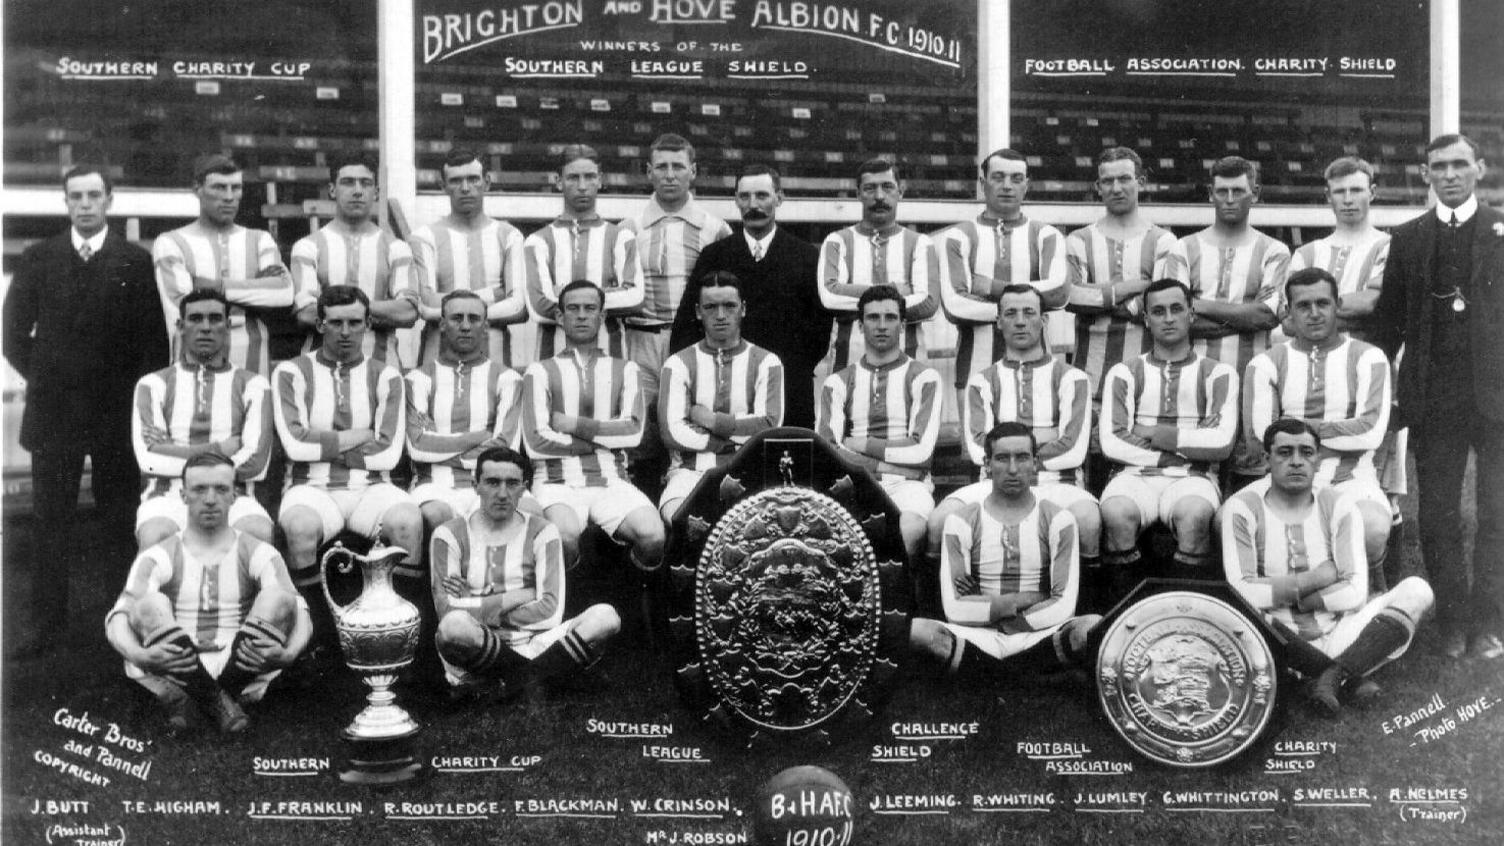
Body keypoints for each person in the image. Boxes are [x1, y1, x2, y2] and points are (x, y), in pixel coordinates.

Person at [3, 164, 168, 653]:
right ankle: (46, 625)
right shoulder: (39, 258)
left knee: (120, 519)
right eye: (76, 196)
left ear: (110, 200)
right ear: (66, 202)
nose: (85, 204)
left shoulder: (134, 261)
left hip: (115, 412)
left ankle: (121, 619)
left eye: (94, 195)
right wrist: (51, 376)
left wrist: (125, 392)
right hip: (55, 412)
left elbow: (153, 343)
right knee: (50, 522)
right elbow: (12, 335)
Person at [1374, 133, 1504, 660]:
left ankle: (1490, 621)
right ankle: (1452, 622)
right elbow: (1387, 327)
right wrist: (1382, 394)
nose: (1449, 174)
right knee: (1439, 516)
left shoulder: (1501, 231)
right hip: (1434, 400)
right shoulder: (1407, 237)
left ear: (1479, 168)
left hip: (1498, 398)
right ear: (1425, 175)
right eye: (1438, 167)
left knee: (1499, 512)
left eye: (1459, 164)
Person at [1223, 419, 1433, 714]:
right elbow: (1241, 592)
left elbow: (1355, 593)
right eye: (1284, 452)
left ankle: (1330, 677)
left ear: (1318, 460)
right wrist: (1318, 577)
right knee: (1242, 615)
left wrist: (1294, 594)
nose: (1296, 462)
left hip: (1337, 631)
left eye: (1306, 453)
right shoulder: (1242, 507)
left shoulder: (1339, 504)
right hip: (1276, 635)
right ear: (1266, 459)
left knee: (1417, 590)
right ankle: (1352, 671)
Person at [105, 453, 312, 732]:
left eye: (221, 489)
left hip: (241, 663)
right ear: (183, 495)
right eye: (200, 489)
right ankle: (220, 704)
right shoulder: (159, 555)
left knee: (280, 598)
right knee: (146, 604)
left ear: (234, 496)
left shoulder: (258, 551)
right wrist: (138, 655)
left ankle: (197, 706)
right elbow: (118, 617)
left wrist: (289, 653)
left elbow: (301, 613)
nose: (211, 499)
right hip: (176, 668)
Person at [941, 284, 1101, 609]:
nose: (1020, 321)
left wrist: (1007, 448)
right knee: (939, 520)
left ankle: (1084, 615)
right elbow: (979, 452)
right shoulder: (981, 381)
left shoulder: (1072, 378)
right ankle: (953, 610)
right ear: (998, 321)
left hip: (1061, 483)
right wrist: (1049, 435)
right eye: (1010, 313)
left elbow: (1073, 449)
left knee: (1087, 518)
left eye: (1029, 313)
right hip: (992, 485)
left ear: (1044, 320)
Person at [273, 285, 423, 626]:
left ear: (368, 323)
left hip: (371, 488)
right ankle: (315, 635)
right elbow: (294, 446)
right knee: (299, 526)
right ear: (320, 324)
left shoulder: (386, 375)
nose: (345, 332)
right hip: (310, 487)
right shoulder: (291, 372)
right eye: (336, 322)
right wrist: (360, 436)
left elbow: (388, 454)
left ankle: (404, 630)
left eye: (354, 323)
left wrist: (320, 445)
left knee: (407, 520)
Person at [908, 422, 1100, 681]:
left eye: (1021, 458)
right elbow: (954, 609)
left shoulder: (1058, 519)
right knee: (918, 632)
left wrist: (992, 612)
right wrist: (1029, 598)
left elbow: (1063, 606)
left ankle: (988, 676)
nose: (1012, 469)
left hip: (1037, 632)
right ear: (987, 465)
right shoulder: (961, 521)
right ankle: (1030, 675)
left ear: (1035, 462)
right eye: (1002, 458)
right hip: (980, 636)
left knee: (1091, 626)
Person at [1244, 268, 1393, 588]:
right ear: (1289, 311)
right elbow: (1261, 437)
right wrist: (1338, 431)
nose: (1314, 314)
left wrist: (1293, 429)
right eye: (1303, 306)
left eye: (1323, 303)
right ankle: (1268, 612)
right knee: (1228, 520)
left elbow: (1371, 432)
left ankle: (1368, 598)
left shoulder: (1369, 358)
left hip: (1351, 478)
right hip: (1281, 479)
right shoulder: (1266, 362)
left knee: (1372, 525)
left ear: (1338, 304)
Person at [432, 447, 620, 698]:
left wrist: (476, 604)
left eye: (512, 484)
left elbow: (551, 612)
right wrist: (522, 595)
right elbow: (446, 611)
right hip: (476, 643)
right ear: (475, 484)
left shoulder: (544, 531)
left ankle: (512, 682)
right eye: (492, 482)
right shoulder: (448, 534)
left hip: (536, 644)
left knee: (606, 617)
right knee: (453, 627)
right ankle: (543, 678)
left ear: (524, 487)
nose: (502, 493)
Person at [1287, 156, 1406, 532]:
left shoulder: (1391, 246)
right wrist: (1344, 310)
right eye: (1340, 191)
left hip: (1369, 372)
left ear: (1373, 192)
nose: (1349, 199)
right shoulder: (1307, 253)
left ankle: (1384, 575)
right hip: (1310, 372)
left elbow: (1373, 303)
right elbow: (1285, 316)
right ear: (1328, 197)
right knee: (1314, 462)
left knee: (1379, 479)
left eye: (1357, 189)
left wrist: (1311, 312)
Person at [1100, 279, 1238, 583]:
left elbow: (1221, 443)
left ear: (1191, 314)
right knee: (1115, 512)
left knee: (1195, 514)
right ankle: (1128, 609)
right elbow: (1112, 442)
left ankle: (1182, 610)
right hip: (1132, 476)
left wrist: (1151, 432)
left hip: (1195, 478)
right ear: (1147, 320)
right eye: (1159, 311)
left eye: (1177, 309)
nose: (1169, 317)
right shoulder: (1124, 372)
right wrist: (1179, 451)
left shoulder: (1218, 373)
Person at [521, 281, 665, 571]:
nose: (582, 315)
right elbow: (536, 442)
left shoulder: (625, 369)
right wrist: (601, 439)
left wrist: (572, 424)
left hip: (611, 480)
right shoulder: (539, 370)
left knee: (653, 536)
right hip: (555, 482)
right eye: (573, 309)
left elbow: (633, 432)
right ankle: (568, 606)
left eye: (590, 309)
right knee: (564, 537)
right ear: (560, 318)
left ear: (602, 317)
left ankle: (628, 602)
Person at [671, 165, 827, 429]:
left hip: (788, 385)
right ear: (735, 200)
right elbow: (688, 324)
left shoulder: (807, 257)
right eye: (744, 197)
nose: (753, 204)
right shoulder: (714, 255)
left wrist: (789, 369)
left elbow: (819, 333)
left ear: (779, 197)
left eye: (762, 196)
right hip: (722, 387)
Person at [1164, 156, 1288, 487]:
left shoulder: (1273, 250)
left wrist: (1199, 304)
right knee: (1194, 476)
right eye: (1222, 191)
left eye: (1238, 191)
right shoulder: (1184, 248)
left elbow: (1268, 314)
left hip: (1252, 379)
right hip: (1193, 379)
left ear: (1255, 193)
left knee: (1247, 477)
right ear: (1210, 194)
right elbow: (1176, 319)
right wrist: (1245, 318)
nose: (1230, 199)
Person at [1064, 147, 1176, 493]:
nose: (1116, 187)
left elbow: (1160, 304)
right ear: (1097, 187)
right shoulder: (1079, 240)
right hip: (1091, 374)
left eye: (1124, 179)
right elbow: (1070, 296)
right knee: (1094, 465)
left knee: (1139, 462)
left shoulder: (1163, 241)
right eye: (1107, 181)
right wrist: (1135, 288)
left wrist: (1101, 299)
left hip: (1147, 375)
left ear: (1141, 182)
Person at [132, 289, 274, 549]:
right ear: (180, 325)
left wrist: (171, 450)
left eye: (215, 319)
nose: (206, 327)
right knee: (155, 534)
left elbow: (256, 463)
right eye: (196, 319)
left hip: (233, 494)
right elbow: (149, 461)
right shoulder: (152, 384)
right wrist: (219, 449)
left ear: (228, 326)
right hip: (168, 496)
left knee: (257, 532)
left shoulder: (254, 385)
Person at [816, 285, 942, 561]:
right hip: (855, 481)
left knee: (908, 530)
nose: (882, 325)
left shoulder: (925, 378)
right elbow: (827, 450)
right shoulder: (837, 382)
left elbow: (921, 451)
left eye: (890, 317)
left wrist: (860, 444)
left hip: (909, 487)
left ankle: (898, 604)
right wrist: (885, 466)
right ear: (860, 326)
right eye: (873, 318)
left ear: (903, 324)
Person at [937, 148, 1068, 405]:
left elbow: (1059, 293)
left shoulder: (1046, 235)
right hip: (975, 367)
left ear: (1027, 185)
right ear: (983, 183)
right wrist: (1028, 307)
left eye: (1016, 178)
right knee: (975, 445)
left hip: (1038, 368)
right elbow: (955, 305)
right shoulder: (958, 236)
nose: (1007, 186)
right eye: (998, 177)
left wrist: (991, 287)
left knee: (1034, 442)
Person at [153, 153, 292, 377]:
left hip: (253, 359)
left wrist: (216, 286)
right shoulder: (170, 242)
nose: (229, 197)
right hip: (194, 364)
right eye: (219, 187)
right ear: (197, 189)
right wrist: (254, 293)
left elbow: (283, 293)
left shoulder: (260, 239)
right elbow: (183, 308)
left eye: (235, 188)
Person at [659, 272, 783, 521]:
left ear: (743, 309)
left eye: (729, 306)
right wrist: (728, 441)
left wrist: (711, 420)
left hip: (750, 470)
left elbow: (768, 426)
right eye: (711, 307)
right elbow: (671, 432)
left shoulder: (767, 362)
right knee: (679, 517)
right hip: (689, 472)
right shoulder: (678, 363)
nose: (720, 315)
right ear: (697, 311)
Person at [405, 290, 526, 534]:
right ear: (441, 324)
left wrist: (444, 449)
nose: (465, 326)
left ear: (485, 326)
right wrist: (477, 437)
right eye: (456, 318)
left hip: (493, 482)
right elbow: (418, 446)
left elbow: (505, 448)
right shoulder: (417, 379)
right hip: (433, 484)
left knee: (531, 512)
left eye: (474, 319)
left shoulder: (508, 378)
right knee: (434, 515)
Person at [291, 153, 419, 370]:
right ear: (332, 190)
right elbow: (305, 313)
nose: (358, 190)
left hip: (382, 365)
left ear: (376, 192)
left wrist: (332, 312)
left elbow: (407, 312)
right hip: (320, 369)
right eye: (348, 182)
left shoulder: (397, 248)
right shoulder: (308, 246)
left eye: (366, 183)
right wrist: (379, 311)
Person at [408, 149, 529, 368]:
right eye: (455, 181)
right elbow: (425, 304)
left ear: (487, 182)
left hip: (495, 358)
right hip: (438, 359)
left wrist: (448, 309)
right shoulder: (423, 237)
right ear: (443, 186)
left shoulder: (508, 235)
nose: (465, 188)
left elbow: (519, 307)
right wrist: (496, 293)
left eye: (473, 179)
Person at [818, 159, 939, 374]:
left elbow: (928, 303)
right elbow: (829, 296)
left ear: (901, 192)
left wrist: (852, 292)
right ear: (858, 194)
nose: (879, 196)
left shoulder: (920, 243)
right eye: (870, 188)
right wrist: (897, 290)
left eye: (888, 187)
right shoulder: (837, 241)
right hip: (849, 365)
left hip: (909, 368)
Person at [524, 144, 643, 360]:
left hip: (610, 354)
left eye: (589, 177)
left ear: (600, 179)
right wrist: (610, 291)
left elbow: (635, 298)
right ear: (558, 181)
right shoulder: (537, 241)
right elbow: (539, 305)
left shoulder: (621, 237)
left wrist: (562, 293)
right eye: (573, 178)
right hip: (552, 355)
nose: (582, 186)